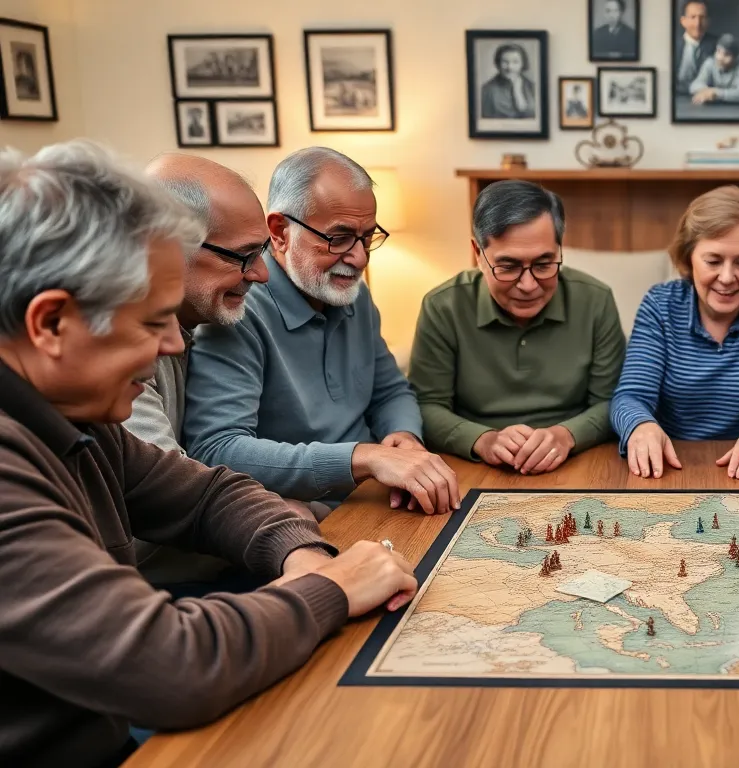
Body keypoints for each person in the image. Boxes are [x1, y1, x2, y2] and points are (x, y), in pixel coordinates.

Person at [0, 140, 418, 768]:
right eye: (151, 323)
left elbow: (207, 493)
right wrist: (331, 587)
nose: (175, 346)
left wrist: (297, 548)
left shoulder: (71, 417)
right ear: (50, 324)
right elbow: (170, 666)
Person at [184, 147, 461, 517]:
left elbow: (390, 390)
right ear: (280, 232)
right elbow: (217, 449)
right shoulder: (236, 306)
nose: (360, 258)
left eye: (367, 237)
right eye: (340, 237)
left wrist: (404, 437)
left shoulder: (353, 294)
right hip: (304, 511)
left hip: (376, 497)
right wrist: (364, 457)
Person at [126, 154, 275, 587]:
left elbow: (201, 495)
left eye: (261, 252)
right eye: (244, 256)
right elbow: (172, 495)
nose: (262, 274)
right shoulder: (119, 348)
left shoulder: (191, 325)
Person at [410, 180, 625, 472]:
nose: (528, 285)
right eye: (508, 266)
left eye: (544, 264)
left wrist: (566, 435)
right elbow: (426, 405)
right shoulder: (443, 306)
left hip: (580, 456)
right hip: (474, 464)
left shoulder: (596, 299)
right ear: (477, 252)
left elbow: (613, 400)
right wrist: (483, 440)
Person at [611, 185, 739, 480]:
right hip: (671, 467)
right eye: (713, 261)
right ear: (689, 258)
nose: (728, 277)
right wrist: (641, 427)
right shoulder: (660, 304)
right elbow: (630, 396)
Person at [690, 34, 739, 105]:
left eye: (727, 54)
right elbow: (694, 86)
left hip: (736, 110)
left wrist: (716, 93)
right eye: (718, 51)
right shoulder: (710, 63)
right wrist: (708, 92)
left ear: (735, 57)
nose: (720, 58)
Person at [480, 43, 537, 120]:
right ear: (498, 63)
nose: (510, 67)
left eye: (515, 62)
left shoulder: (532, 87)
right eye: (505, 62)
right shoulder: (487, 90)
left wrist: (518, 92)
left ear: (523, 64)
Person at [674, 0, 717, 96]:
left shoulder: (718, 46)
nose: (698, 24)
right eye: (693, 17)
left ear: (708, 21)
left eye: (702, 18)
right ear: (683, 21)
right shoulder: (671, 46)